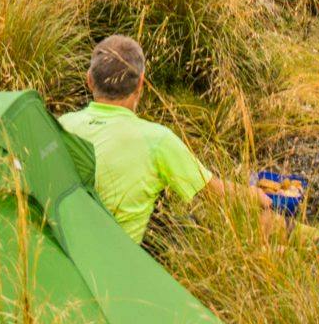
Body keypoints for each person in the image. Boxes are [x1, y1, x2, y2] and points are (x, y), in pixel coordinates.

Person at [58, 35, 275, 244]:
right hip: (120, 263)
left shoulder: (62, 125)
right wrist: (253, 195)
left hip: (68, 248)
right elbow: (213, 193)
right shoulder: (157, 139)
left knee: (169, 219)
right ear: (141, 83)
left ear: (89, 80)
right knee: (182, 226)